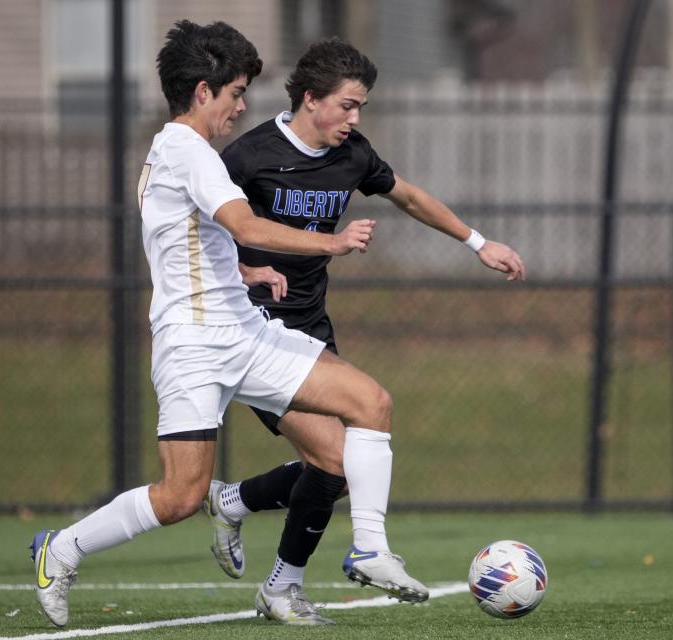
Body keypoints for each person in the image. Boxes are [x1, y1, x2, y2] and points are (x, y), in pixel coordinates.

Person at [28, 20, 400, 628]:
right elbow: (245, 225)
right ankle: (60, 548)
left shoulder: (177, 152)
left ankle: (369, 549)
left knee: (366, 407)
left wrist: (245, 275)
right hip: (194, 347)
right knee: (179, 497)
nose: (242, 104)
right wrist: (328, 244)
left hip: (243, 332)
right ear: (204, 91)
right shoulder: (186, 149)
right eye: (235, 92)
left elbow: (189, 240)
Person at [201, 36, 526, 622]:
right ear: (309, 99)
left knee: (341, 467)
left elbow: (409, 196)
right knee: (336, 457)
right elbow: (201, 234)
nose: (354, 118)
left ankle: (237, 504)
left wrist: (478, 243)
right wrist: (248, 266)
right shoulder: (247, 157)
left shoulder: (352, 154)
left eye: (361, 108)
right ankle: (289, 582)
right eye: (347, 105)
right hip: (251, 330)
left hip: (311, 329)